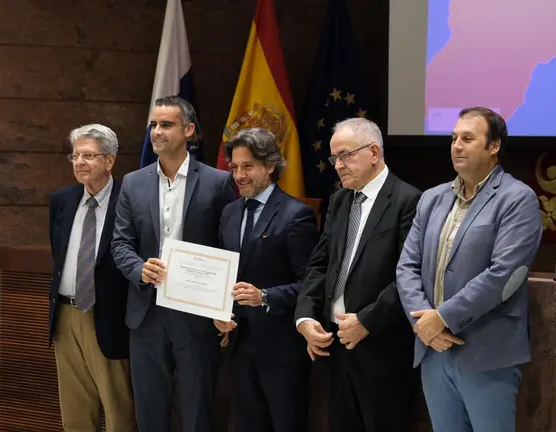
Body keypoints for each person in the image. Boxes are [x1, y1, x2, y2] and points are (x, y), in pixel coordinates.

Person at [397, 107, 543, 432]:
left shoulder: (517, 199)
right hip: (433, 349)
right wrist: (423, 323)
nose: (456, 146)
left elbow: (504, 275)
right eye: (453, 138)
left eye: (467, 138)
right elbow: (407, 266)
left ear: (494, 147)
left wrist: (443, 316)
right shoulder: (431, 199)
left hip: (487, 352)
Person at [111, 96, 237, 432]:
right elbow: (120, 242)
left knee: (198, 408)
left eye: (166, 124)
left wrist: (224, 305)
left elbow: (231, 245)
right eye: (154, 124)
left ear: (189, 130)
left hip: (196, 312)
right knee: (149, 410)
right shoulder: (133, 182)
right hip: (146, 312)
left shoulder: (218, 182)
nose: (156, 131)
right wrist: (139, 269)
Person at [295, 118, 421, 432]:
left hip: (381, 348)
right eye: (334, 158)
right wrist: (305, 317)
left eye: (346, 155)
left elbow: (409, 275)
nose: (338, 165)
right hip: (333, 345)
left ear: (374, 152)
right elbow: (319, 265)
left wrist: (366, 321)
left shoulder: (409, 200)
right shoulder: (339, 200)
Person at [213, 128, 318, 432]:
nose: (239, 175)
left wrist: (265, 296)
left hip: (281, 349)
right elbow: (225, 274)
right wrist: (218, 313)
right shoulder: (229, 213)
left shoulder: (296, 215)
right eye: (234, 167)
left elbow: (309, 284)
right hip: (238, 344)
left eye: (248, 166)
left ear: (270, 165)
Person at [48, 124, 136, 432]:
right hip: (65, 314)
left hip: (108, 316)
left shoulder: (130, 200)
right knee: (74, 411)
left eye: (88, 155)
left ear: (110, 160)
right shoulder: (62, 200)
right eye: (75, 156)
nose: (79, 163)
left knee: (118, 409)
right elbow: (59, 258)